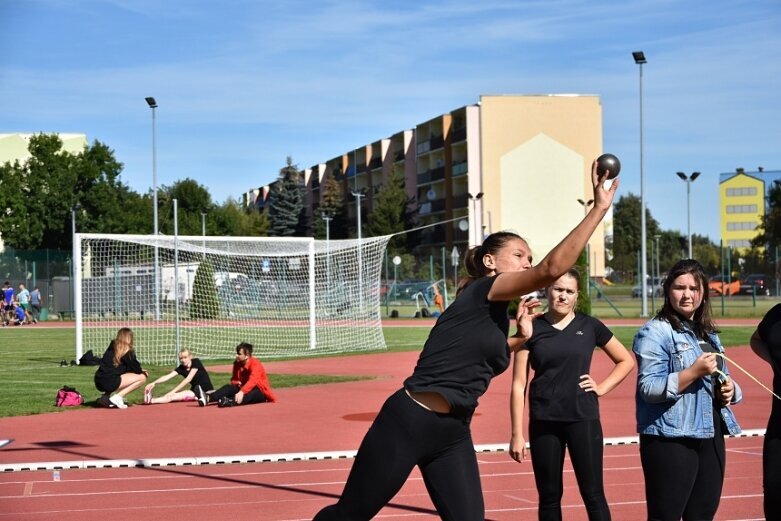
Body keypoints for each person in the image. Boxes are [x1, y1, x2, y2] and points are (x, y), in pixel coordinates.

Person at [313, 159, 618, 521]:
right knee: (351, 513)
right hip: (410, 420)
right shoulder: (483, 290)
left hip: (452, 432)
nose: (526, 263)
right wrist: (598, 209)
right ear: (490, 261)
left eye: (529, 258)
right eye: (519, 256)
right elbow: (550, 270)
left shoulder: (496, 316)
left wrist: (519, 339)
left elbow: (478, 358)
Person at [509, 268, 634, 521]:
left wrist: (602, 387)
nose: (563, 296)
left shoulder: (590, 326)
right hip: (544, 421)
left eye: (569, 291)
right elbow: (518, 384)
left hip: (583, 419)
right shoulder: (531, 329)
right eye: (558, 289)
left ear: (577, 295)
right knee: (549, 495)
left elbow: (625, 360)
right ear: (547, 291)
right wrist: (516, 434)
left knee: (593, 494)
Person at [633, 259, 742, 521]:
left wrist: (730, 391)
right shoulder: (654, 331)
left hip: (710, 433)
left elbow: (722, 379)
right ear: (667, 290)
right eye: (680, 287)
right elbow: (649, 387)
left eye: (694, 288)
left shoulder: (708, 334)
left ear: (703, 293)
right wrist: (692, 373)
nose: (687, 294)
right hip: (672, 437)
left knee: (703, 514)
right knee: (666, 515)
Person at [749, 262, 781, 520]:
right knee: (773, 488)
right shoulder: (775, 316)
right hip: (779, 420)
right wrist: (772, 360)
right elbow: (755, 340)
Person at [198, 342, 276, 407]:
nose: (236, 355)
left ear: (247, 355)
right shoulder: (237, 363)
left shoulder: (255, 364)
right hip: (244, 388)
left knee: (252, 394)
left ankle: (229, 401)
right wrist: (236, 383)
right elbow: (234, 379)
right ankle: (208, 398)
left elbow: (253, 381)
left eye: (239, 354)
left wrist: (242, 392)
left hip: (260, 392)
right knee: (228, 388)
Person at [93, 327, 148, 409]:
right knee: (142, 377)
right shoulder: (127, 352)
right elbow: (137, 369)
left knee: (114, 375)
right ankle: (118, 396)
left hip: (99, 381)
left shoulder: (112, 347)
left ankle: (105, 398)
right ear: (130, 338)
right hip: (109, 382)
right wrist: (142, 371)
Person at [143, 348, 214, 405]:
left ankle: (197, 397)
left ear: (190, 357)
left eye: (185, 357)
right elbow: (167, 376)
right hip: (194, 391)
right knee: (172, 396)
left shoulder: (196, 362)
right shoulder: (181, 368)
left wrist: (172, 391)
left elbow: (188, 379)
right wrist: (154, 382)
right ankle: (151, 400)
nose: (183, 360)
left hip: (207, 391)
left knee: (218, 394)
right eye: (181, 358)